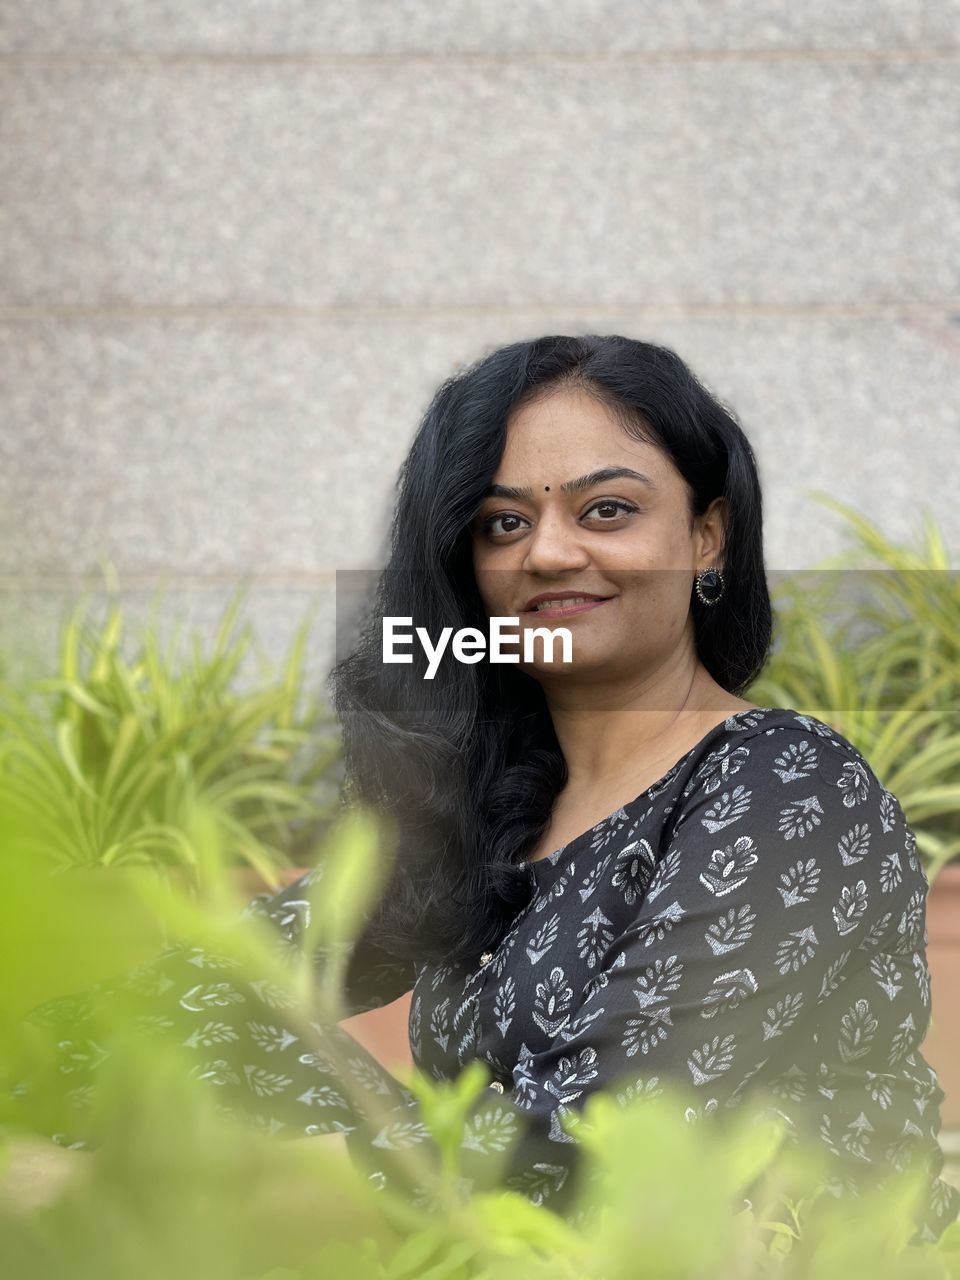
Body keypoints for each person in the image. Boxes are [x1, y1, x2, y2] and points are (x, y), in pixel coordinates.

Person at [14, 334, 960, 1244]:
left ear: (707, 535)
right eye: (504, 523)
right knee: (199, 1051)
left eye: (606, 510)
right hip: (508, 1244)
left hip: (754, 1250)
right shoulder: (495, 807)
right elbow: (223, 981)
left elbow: (591, 1137)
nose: (546, 553)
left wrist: (114, 1194)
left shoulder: (787, 785)